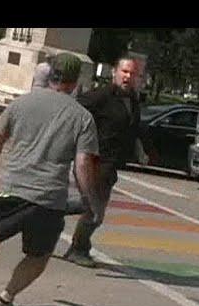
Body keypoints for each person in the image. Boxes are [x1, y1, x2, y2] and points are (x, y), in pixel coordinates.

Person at [0, 53, 104, 306]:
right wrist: (89, 200)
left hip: (9, 185)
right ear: (76, 81)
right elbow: (82, 164)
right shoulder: (82, 118)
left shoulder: (20, 103)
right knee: (39, 254)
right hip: (47, 198)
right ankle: (5, 298)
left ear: (50, 75)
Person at [62, 56, 159, 268]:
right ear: (114, 71)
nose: (128, 77)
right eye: (124, 72)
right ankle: (76, 246)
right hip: (94, 160)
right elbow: (74, 110)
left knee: (91, 209)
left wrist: (141, 152)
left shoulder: (133, 99)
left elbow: (134, 129)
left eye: (133, 74)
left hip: (111, 164)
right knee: (95, 212)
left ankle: (49, 213)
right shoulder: (101, 96)